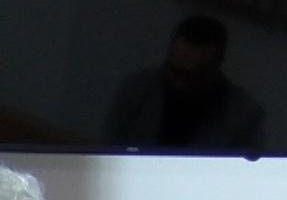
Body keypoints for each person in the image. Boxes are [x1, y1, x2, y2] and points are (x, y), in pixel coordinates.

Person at [104, 15, 265, 152]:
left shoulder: (242, 116)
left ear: (215, 69)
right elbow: (109, 152)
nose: (180, 84)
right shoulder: (136, 91)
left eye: (193, 78)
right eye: (175, 72)